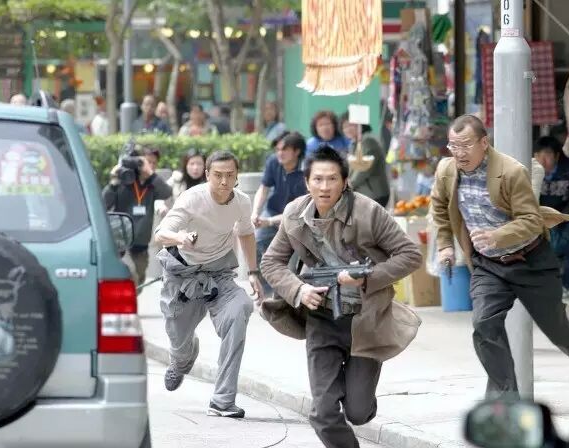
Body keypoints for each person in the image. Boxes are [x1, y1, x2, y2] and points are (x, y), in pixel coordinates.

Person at [430, 114, 569, 402]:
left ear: (484, 143)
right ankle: (506, 400)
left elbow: (531, 220)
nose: (459, 153)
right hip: (489, 265)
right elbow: (439, 207)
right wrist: (445, 246)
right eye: (453, 146)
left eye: (466, 145)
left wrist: (497, 235)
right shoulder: (446, 171)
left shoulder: (511, 172)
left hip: (530, 261)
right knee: (484, 324)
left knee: (558, 330)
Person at [260, 146, 422, 448]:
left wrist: (367, 278)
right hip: (322, 319)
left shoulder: (368, 212)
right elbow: (271, 262)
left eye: (332, 179)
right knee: (323, 412)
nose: (324, 187)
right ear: (307, 181)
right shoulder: (294, 214)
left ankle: (359, 394)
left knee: (358, 412)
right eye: (318, 179)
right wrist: (299, 290)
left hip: (366, 319)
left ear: (345, 181)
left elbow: (410, 255)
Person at [154, 150, 262, 419]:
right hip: (182, 276)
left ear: (237, 176)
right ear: (207, 175)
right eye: (218, 175)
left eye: (230, 175)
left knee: (241, 308)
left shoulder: (242, 202)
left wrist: (253, 272)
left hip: (219, 274)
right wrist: (180, 238)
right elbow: (161, 234)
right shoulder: (192, 198)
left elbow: (246, 233)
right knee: (179, 341)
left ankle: (222, 400)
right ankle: (181, 360)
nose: (224, 181)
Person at [102, 150, 172, 285]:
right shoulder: (124, 181)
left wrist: (150, 174)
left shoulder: (152, 184)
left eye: (153, 163)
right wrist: (113, 181)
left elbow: (166, 192)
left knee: (139, 281)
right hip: (122, 244)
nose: (150, 166)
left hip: (141, 246)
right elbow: (104, 203)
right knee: (131, 274)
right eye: (147, 162)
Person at [251, 132, 308, 294]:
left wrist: (269, 221)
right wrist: (255, 213)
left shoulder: (307, 170)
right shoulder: (273, 161)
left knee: (291, 260)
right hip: (273, 210)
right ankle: (267, 292)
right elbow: (263, 188)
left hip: (299, 219)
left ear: (297, 151)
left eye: (284, 149)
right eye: (277, 149)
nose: (280, 153)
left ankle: (287, 293)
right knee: (256, 241)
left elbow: (300, 210)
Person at [533, 136, 569, 298]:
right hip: (542, 216)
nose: (543, 160)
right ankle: (549, 286)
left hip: (568, 214)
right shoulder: (529, 170)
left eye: (548, 155)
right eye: (538, 155)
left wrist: (561, 216)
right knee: (543, 251)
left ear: (557, 156)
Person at [340, 112, 390, 207]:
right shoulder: (354, 143)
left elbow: (363, 169)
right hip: (364, 194)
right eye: (345, 127)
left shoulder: (368, 141)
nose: (348, 129)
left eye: (351, 125)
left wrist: (349, 185)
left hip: (374, 194)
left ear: (361, 125)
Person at [155, 148, 207, 217]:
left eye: (199, 164)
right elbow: (159, 195)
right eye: (192, 164)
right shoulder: (176, 179)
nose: (195, 168)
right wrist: (161, 208)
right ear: (186, 165)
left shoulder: (209, 183)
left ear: (204, 166)